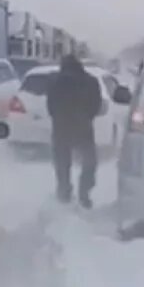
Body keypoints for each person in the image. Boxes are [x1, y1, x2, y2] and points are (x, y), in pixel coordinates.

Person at [45, 54, 102, 207]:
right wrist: (86, 117)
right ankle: (84, 193)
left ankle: (64, 192)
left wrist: (59, 118)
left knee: (62, 163)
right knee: (89, 162)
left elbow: (50, 107)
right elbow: (96, 105)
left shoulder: (54, 82)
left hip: (61, 128)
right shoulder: (90, 81)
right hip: (83, 128)